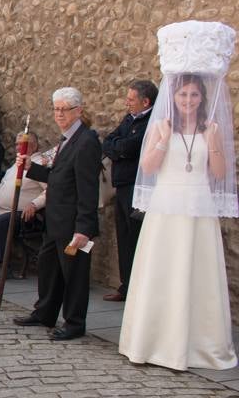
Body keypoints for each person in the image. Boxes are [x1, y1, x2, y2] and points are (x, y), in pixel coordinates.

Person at [120, 20, 238, 370]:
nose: (188, 100)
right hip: (167, 206)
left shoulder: (211, 128)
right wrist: (163, 137)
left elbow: (218, 174)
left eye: (194, 95)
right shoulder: (160, 125)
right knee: (163, 271)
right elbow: (150, 167)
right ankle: (155, 341)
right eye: (182, 94)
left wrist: (215, 145)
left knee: (197, 273)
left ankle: (197, 343)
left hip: (198, 205)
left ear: (202, 98)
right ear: (174, 96)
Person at [14, 87, 101, 340]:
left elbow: (87, 187)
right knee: (49, 266)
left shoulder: (86, 141)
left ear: (79, 111)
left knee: (74, 274)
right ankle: (45, 312)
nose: (59, 114)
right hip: (55, 219)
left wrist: (84, 228)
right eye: (56, 109)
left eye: (65, 110)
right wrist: (31, 168)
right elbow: (59, 178)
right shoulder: (65, 140)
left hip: (73, 221)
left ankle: (74, 323)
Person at [101, 79, 158, 302]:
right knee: (124, 238)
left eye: (132, 99)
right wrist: (119, 148)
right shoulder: (130, 119)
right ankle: (126, 286)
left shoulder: (150, 122)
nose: (127, 102)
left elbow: (130, 146)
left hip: (137, 186)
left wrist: (119, 149)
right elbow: (109, 141)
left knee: (136, 237)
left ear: (146, 101)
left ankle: (138, 289)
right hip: (122, 186)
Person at [0, 132, 47, 279]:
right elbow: (0, 188)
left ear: (34, 146)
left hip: (23, 215)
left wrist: (34, 204)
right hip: (2, 210)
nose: (19, 147)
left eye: (23, 144)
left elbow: (49, 189)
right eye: (17, 144)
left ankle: (3, 266)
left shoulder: (38, 165)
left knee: (1, 223)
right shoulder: (15, 165)